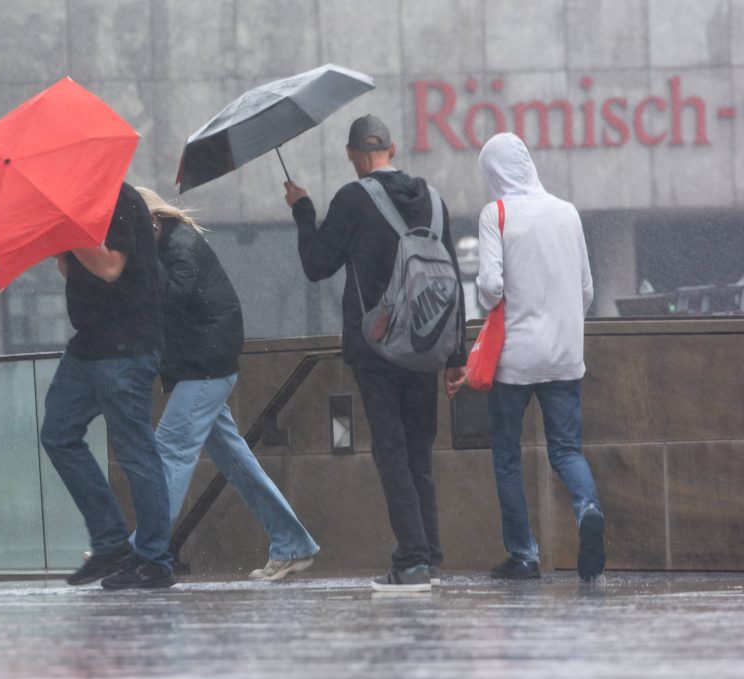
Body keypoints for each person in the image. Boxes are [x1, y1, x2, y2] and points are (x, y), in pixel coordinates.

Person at [283, 114, 467, 592]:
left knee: (391, 451)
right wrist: (456, 357)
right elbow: (451, 278)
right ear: (393, 148)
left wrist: (303, 211)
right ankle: (429, 554)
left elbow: (317, 265)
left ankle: (412, 561)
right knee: (419, 451)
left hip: (378, 348)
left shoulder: (353, 199)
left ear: (351, 154)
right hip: (427, 346)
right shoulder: (434, 200)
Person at [135, 187, 320, 581]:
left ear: (150, 220)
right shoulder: (169, 245)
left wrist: (139, 262)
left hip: (205, 366)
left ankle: (144, 551)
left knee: (169, 450)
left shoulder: (179, 246)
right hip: (201, 365)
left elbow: (172, 297)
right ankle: (292, 542)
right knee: (236, 462)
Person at [468, 131, 605, 581]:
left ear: (494, 172)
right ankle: (587, 509)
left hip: (514, 360)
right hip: (565, 356)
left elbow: (491, 287)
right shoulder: (567, 212)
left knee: (508, 456)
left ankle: (524, 555)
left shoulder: (496, 214)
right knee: (565, 449)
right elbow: (586, 289)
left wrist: (491, 298)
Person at [39, 182, 175, 590]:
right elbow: (78, 270)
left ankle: (154, 560)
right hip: (89, 344)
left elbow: (110, 267)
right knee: (58, 433)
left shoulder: (116, 198)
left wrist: (68, 231)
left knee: (135, 451)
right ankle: (111, 542)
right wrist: (62, 249)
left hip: (126, 345)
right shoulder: (78, 201)